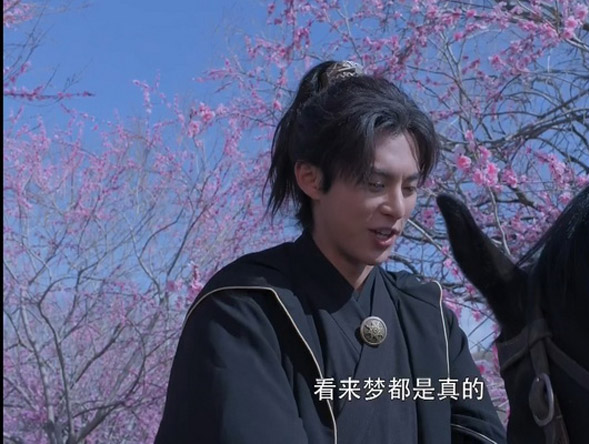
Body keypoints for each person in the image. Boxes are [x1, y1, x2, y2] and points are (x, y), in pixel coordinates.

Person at [155, 60, 506, 444]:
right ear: (311, 179)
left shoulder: (429, 318)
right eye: (375, 184)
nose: (397, 208)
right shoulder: (245, 308)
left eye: (409, 188)